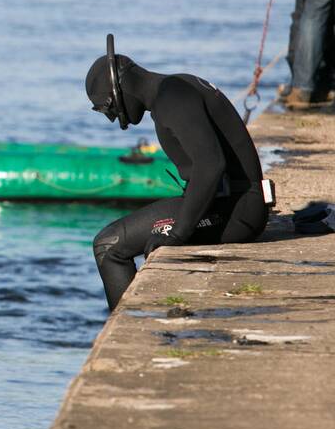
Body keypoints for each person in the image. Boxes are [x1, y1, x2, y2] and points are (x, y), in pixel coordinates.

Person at [87, 36, 272, 311]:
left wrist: (177, 235)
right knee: (117, 238)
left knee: (108, 245)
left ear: (119, 88)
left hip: (238, 209)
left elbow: (211, 165)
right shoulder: (177, 86)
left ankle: (133, 329)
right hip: (238, 202)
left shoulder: (171, 98)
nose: (114, 118)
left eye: (109, 108)